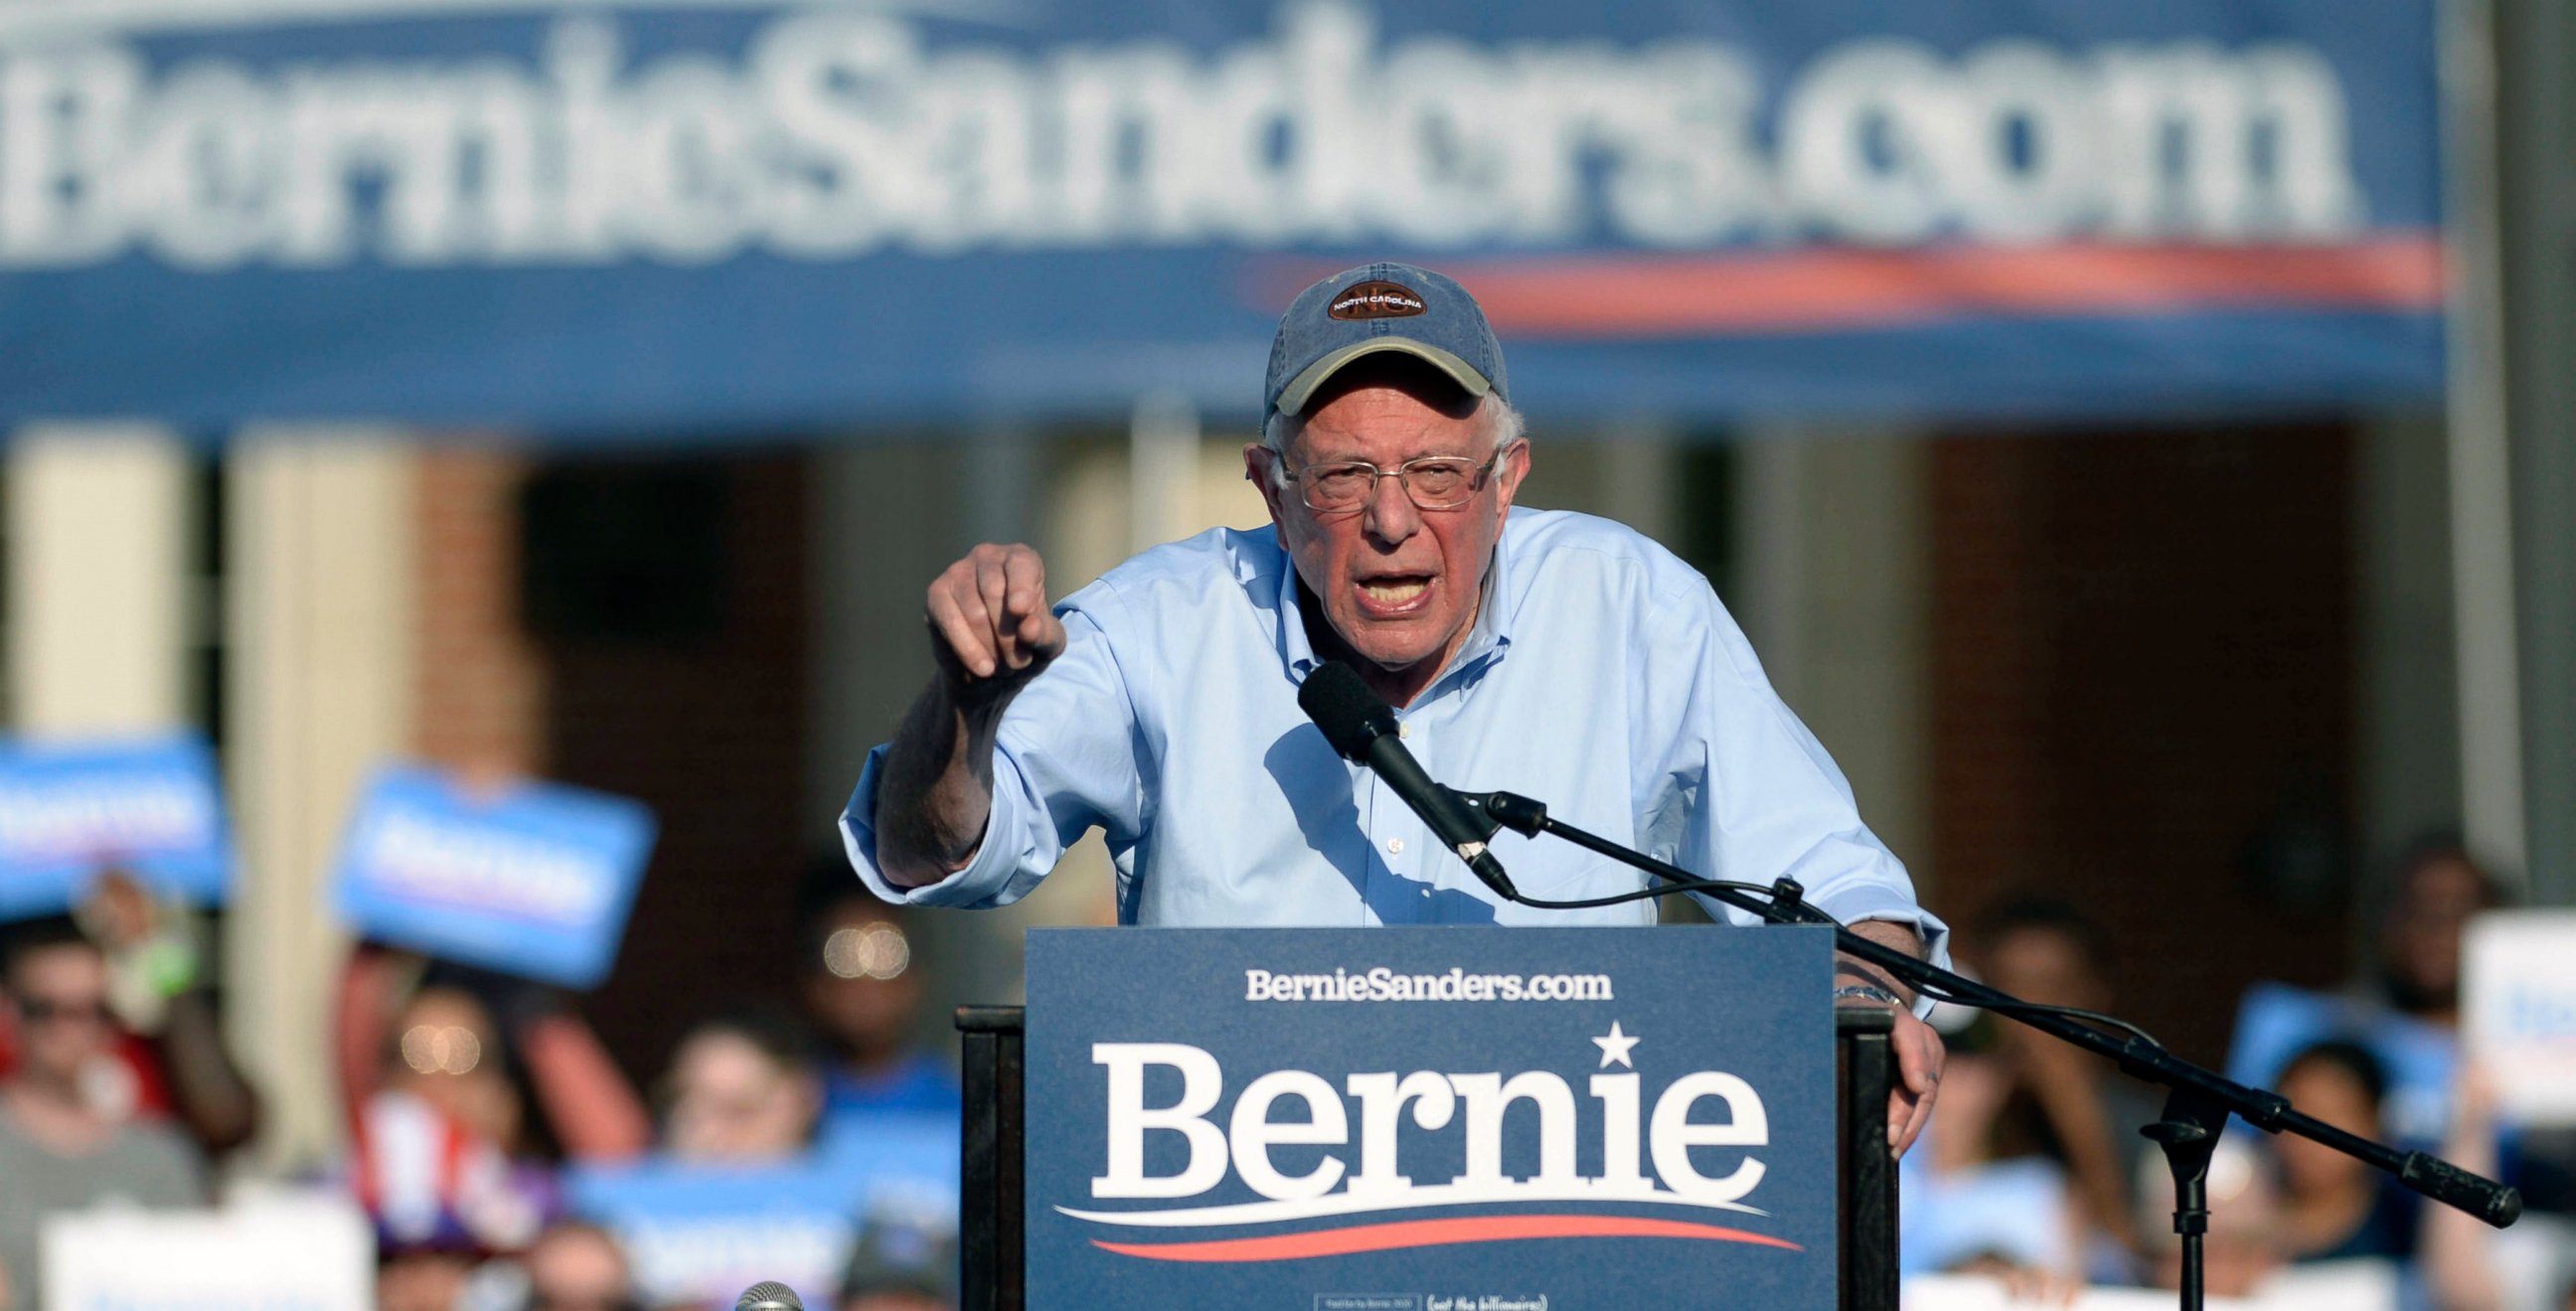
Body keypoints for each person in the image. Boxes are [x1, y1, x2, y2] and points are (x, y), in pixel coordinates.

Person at [843, 260, 1947, 1150]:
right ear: (1272, 491)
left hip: (1570, 1209)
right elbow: (928, 852)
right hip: (1237, 1227)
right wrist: (964, 708)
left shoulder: (1632, 604)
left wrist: (1864, 995)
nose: (1389, 520)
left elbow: (1837, 885)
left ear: (1507, 479)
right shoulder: (1157, 623)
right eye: (1340, 477)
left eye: (1434, 472)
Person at [0, 916, 204, 1311]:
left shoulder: (161, 1155)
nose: (72, 1028)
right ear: (10, 1011)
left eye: (94, 1009)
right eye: (47, 1009)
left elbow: (233, 1115)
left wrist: (156, 944)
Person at [659, 1007, 824, 1164]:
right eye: (696, 1114)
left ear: (805, 1098)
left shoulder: (847, 1180)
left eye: (742, 1109)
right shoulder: (647, 1178)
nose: (714, 1135)